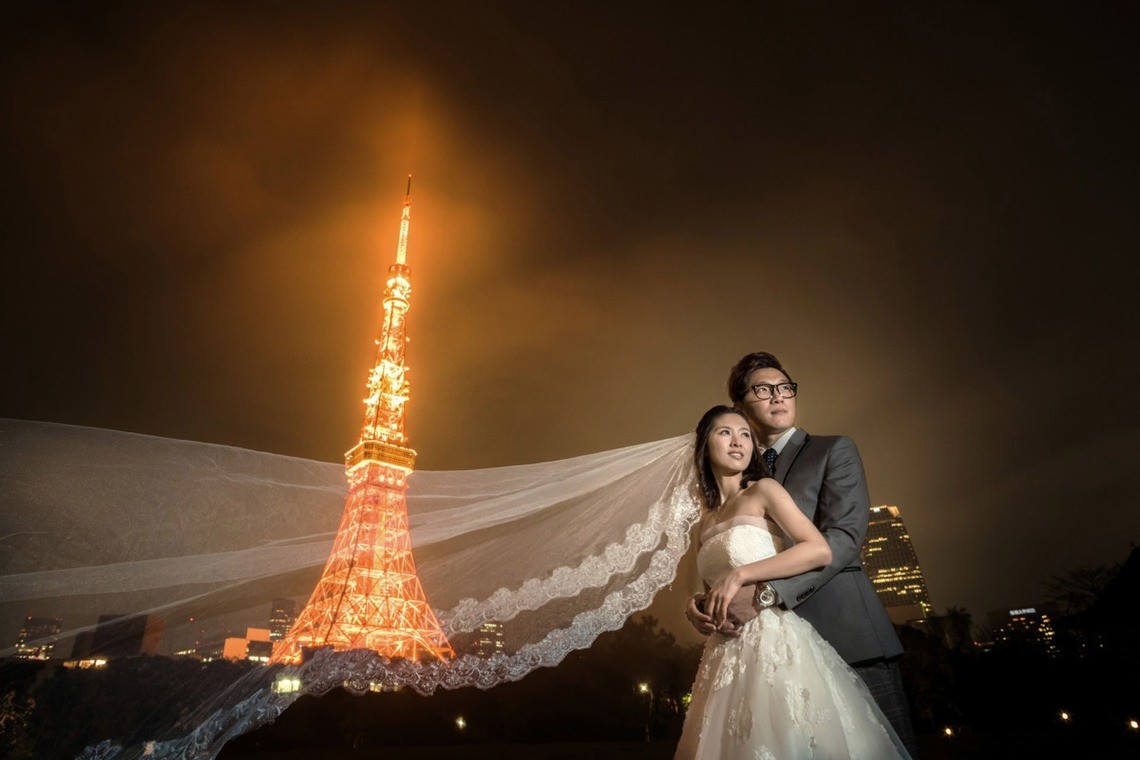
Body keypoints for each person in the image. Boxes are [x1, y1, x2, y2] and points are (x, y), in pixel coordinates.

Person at [685, 352, 918, 755]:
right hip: (759, 656)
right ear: (741, 406)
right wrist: (702, 603)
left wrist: (764, 592)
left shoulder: (832, 450)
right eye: (763, 389)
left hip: (847, 634)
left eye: (785, 387)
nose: (778, 396)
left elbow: (842, 538)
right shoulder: (737, 476)